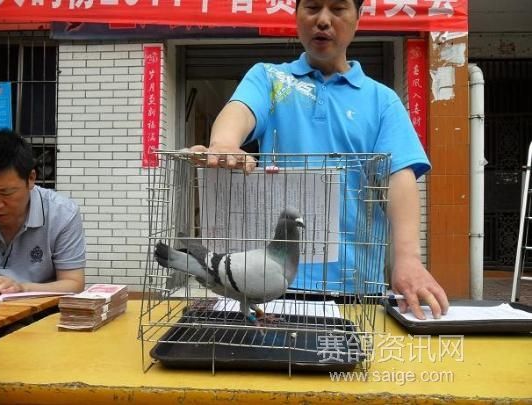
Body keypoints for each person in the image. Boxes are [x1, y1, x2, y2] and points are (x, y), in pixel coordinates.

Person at [189, 0, 449, 320]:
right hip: (270, 284)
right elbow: (239, 111)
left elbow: (399, 177)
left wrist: (408, 258)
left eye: (338, 9)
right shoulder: (270, 79)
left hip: (355, 287)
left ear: (358, 18)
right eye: (312, 7)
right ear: (297, 16)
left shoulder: (382, 101)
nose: (323, 20)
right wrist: (224, 142)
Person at [0, 131, 85, 297]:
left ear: (31, 178)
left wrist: (21, 289)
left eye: (6, 193)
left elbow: (73, 283)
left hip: (41, 308)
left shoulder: (62, 213)